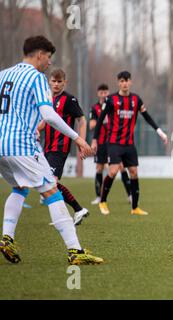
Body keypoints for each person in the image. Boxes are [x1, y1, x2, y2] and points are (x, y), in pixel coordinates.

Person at [0, 35, 103, 264]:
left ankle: (7, 238)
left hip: (1, 146)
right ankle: (75, 251)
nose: (49, 63)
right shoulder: (36, 77)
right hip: (22, 146)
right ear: (39, 54)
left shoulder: (3, 75)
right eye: (48, 58)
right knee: (52, 192)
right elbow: (48, 114)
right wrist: (77, 138)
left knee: (20, 188)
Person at [91, 71, 168, 216]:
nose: (124, 83)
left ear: (130, 82)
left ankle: (135, 207)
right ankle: (102, 201)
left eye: (126, 81)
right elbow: (100, 120)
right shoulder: (111, 99)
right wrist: (95, 140)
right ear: (118, 83)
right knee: (113, 171)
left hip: (129, 144)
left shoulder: (136, 100)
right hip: (114, 143)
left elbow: (147, 117)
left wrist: (160, 132)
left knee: (133, 172)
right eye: (121, 81)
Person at [35, 68, 90, 226]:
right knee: (48, 183)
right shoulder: (48, 99)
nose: (56, 84)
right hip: (48, 147)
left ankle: (78, 210)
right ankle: (66, 216)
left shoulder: (69, 100)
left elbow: (82, 120)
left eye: (60, 82)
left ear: (65, 83)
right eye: (54, 81)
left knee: (50, 182)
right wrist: (36, 131)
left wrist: (82, 142)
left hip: (60, 147)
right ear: (49, 82)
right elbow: (46, 121)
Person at [89, 84, 132, 205]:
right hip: (101, 143)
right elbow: (91, 125)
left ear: (108, 93)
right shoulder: (94, 108)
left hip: (114, 141)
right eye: (101, 93)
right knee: (99, 168)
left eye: (105, 92)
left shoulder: (114, 105)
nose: (104, 95)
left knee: (122, 166)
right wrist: (103, 120)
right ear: (98, 94)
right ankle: (98, 196)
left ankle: (130, 195)